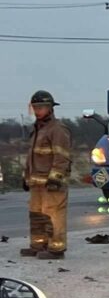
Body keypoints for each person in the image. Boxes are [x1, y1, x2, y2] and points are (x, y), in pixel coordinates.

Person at [21, 90, 71, 259]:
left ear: (50, 108)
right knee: (36, 215)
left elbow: (62, 157)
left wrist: (55, 178)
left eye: (41, 107)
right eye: (35, 107)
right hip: (37, 184)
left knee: (53, 217)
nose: (38, 111)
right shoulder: (37, 130)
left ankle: (56, 249)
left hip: (52, 184)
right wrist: (26, 178)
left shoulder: (57, 129)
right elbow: (31, 157)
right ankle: (38, 245)